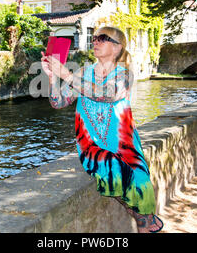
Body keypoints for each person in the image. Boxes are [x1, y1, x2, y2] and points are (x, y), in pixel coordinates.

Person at [40, 26, 163, 233]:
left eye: (102, 38)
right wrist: (53, 77)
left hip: (124, 143)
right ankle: (147, 223)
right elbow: (58, 102)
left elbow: (106, 94)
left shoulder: (124, 74)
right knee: (114, 172)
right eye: (95, 38)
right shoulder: (83, 73)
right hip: (91, 144)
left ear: (117, 48)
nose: (95, 41)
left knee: (141, 184)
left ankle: (146, 223)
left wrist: (67, 75)